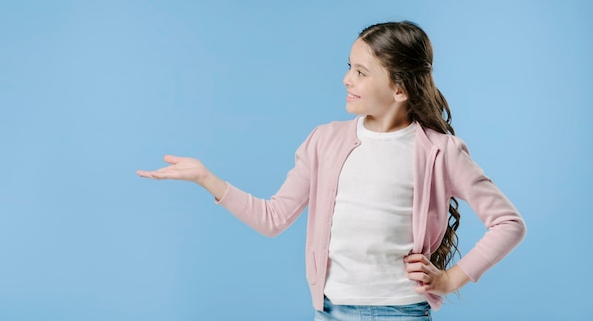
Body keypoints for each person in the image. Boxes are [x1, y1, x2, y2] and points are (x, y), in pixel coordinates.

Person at [137, 21, 526, 320]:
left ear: (400, 89)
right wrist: (207, 178)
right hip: (330, 311)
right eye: (349, 68)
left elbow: (509, 223)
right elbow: (273, 218)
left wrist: (450, 279)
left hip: (402, 312)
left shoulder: (441, 152)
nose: (346, 79)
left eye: (361, 72)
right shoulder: (324, 141)